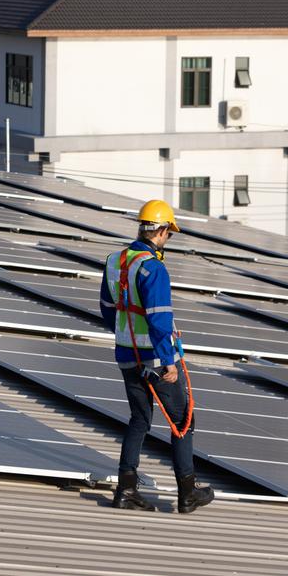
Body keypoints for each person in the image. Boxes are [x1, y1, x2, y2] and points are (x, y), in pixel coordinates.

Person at [100, 200, 213, 512]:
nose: (168, 239)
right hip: (154, 359)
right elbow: (159, 317)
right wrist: (168, 361)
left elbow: (108, 310)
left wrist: (127, 339)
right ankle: (187, 492)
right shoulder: (154, 268)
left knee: (139, 419)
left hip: (125, 354)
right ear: (161, 231)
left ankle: (126, 489)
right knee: (183, 421)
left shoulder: (115, 261)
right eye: (169, 234)